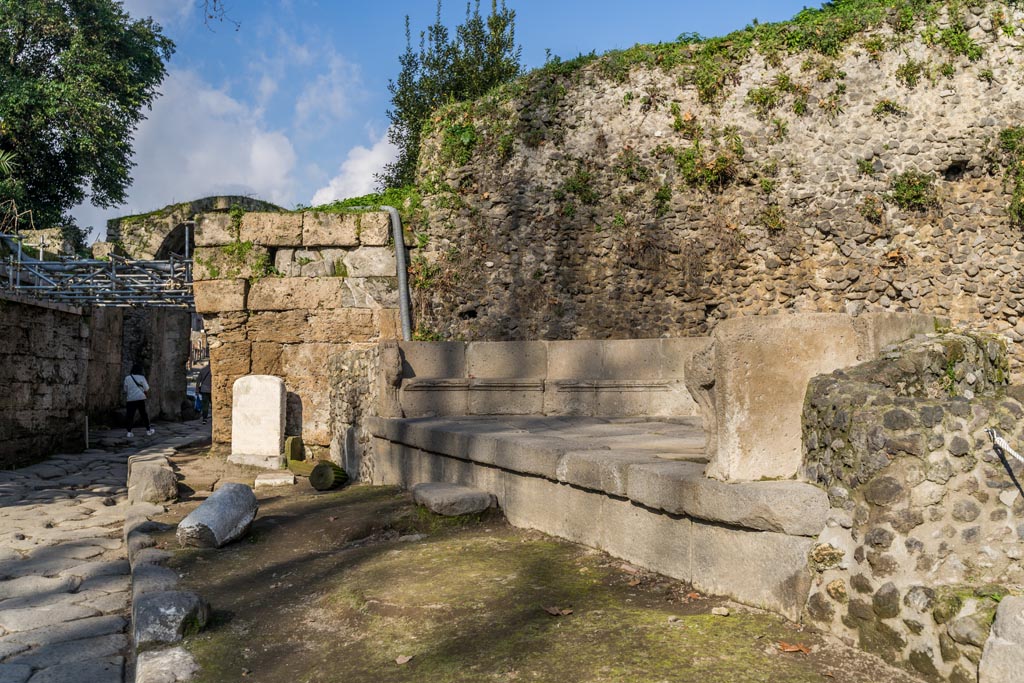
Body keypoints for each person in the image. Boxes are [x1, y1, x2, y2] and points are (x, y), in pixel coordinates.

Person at [124, 363, 154, 437]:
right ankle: (148, 430)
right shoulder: (142, 377)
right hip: (140, 398)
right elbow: (146, 388)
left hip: (130, 399)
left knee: (130, 415)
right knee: (144, 414)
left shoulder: (127, 378)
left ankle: (129, 432)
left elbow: (125, 389)